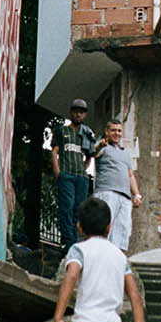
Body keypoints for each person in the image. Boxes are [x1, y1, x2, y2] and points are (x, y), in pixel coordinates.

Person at [47, 99, 97, 253]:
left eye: (81, 112)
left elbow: (90, 155)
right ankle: (67, 243)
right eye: (76, 111)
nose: (78, 114)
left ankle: (76, 242)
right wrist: (58, 172)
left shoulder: (87, 133)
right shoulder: (61, 130)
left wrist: (84, 169)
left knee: (79, 210)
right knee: (66, 208)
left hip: (81, 177)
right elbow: (54, 152)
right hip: (66, 175)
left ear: (85, 114)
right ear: (71, 112)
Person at [92, 117, 142, 252]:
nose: (117, 133)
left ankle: (116, 260)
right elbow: (94, 153)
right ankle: (100, 258)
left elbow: (130, 174)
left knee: (123, 231)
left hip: (125, 197)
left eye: (119, 131)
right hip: (106, 192)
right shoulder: (102, 145)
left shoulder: (125, 152)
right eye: (113, 130)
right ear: (106, 131)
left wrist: (137, 194)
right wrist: (100, 145)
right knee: (104, 228)